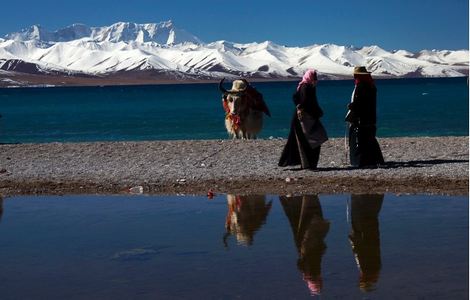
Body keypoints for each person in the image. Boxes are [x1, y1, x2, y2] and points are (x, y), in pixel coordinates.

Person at [280, 195, 330, 296]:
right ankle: (292, 197)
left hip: (308, 239)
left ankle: (296, 197)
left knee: (302, 217)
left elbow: (314, 253)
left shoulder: (313, 269)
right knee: (297, 219)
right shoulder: (309, 270)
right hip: (305, 241)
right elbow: (301, 262)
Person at [278, 69, 328, 169]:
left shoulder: (306, 86)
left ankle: (307, 164)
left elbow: (297, 98)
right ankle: (308, 164)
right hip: (304, 119)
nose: (315, 80)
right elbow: (306, 102)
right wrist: (313, 111)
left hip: (305, 118)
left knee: (310, 140)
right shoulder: (306, 87)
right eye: (314, 77)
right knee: (309, 140)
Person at [346, 66, 385, 167]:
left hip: (361, 119)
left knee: (361, 140)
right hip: (371, 117)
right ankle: (374, 160)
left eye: (355, 75)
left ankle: (360, 161)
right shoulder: (371, 86)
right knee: (370, 139)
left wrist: (351, 106)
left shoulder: (361, 86)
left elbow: (360, 103)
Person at [348, 194, 384, 292]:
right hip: (363, 232)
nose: (359, 278)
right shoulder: (365, 269)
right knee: (362, 211)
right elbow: (358, 251)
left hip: (371, 232)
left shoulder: (376, 268)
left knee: (370, 214)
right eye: (361, 280)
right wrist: (352, 238)